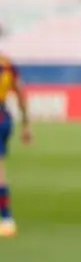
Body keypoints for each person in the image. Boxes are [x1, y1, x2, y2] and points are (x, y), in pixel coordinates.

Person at [0, 53, 31, 238]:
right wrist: (26, 124)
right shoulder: (7, 63)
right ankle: (6, 218)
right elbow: (20, 92)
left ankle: (6, 217)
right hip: (4, 116)